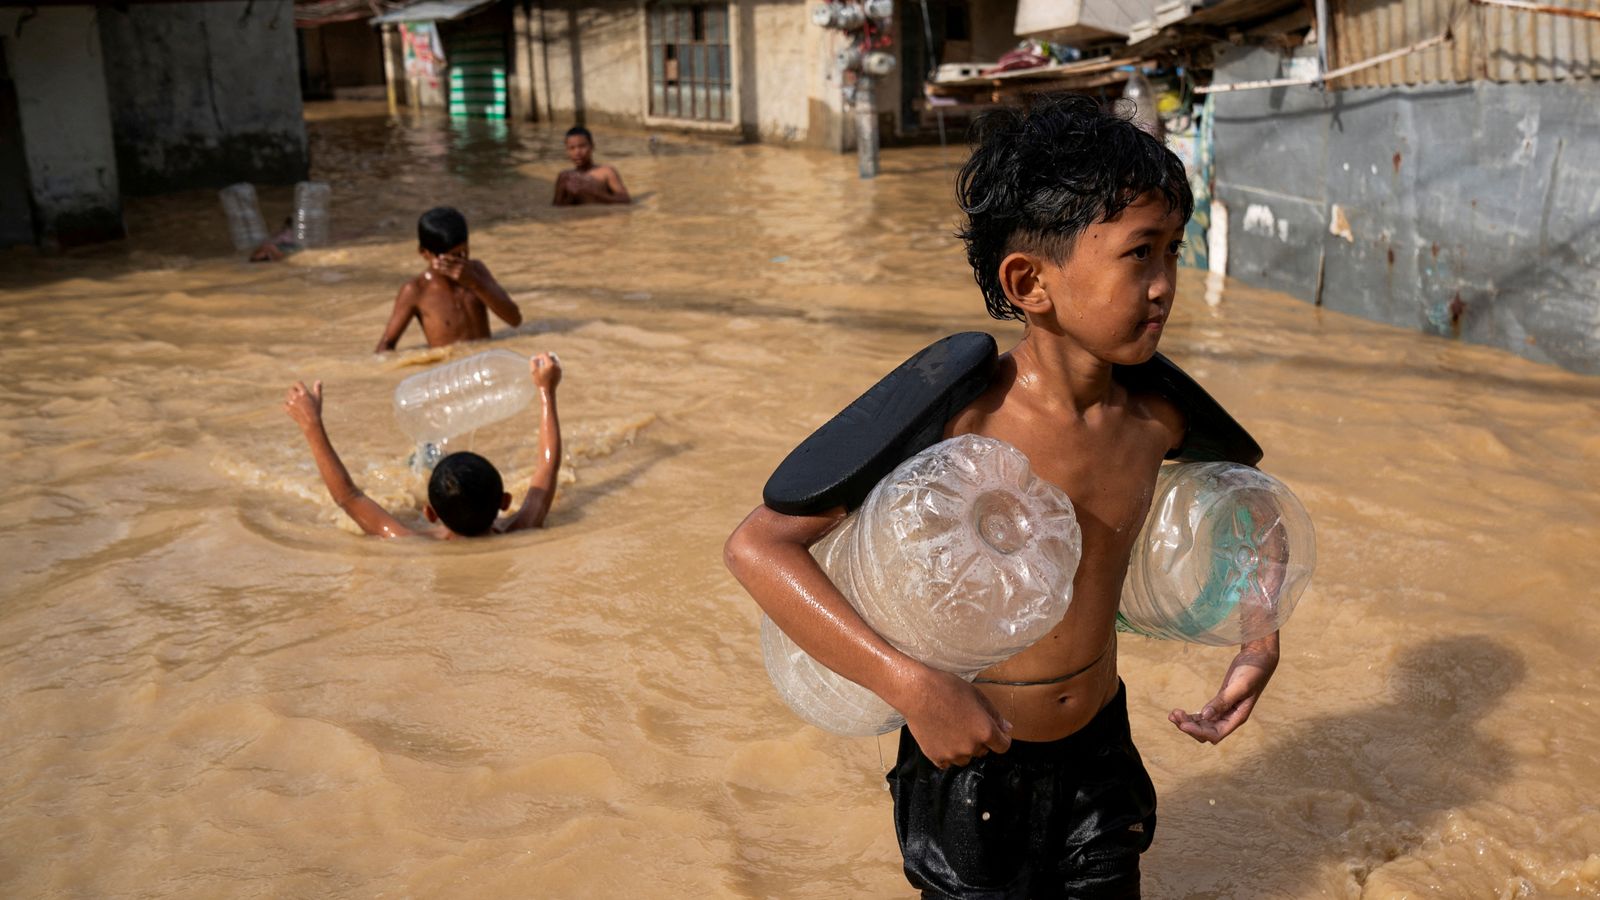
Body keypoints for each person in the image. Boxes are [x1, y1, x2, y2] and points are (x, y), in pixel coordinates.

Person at [723, 94, 1279, 898]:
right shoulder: (960, 417)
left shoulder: (1156, 417)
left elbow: (1254, 502)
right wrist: (909, 687)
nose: (1164, 285)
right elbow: (758, 546)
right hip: (967, 761)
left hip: (1099, 748)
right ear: (1031, 282)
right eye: (1138, 254)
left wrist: (1258, 640)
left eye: (1173, 251)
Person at [283, 353, 562, 539]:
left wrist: (312, 425)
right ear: (505, 501)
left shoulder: (409, 542)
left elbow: (349, 498)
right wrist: (546, 392)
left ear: (430, 513)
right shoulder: (522, 528)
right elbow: (547, 467)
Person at [374, 206, 523, 353]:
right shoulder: (416, 290)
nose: (462, 261)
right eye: (453, 257)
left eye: (465, 252)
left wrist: (475, 283)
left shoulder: (477, 271)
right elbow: (387, 344)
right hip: (451, 371)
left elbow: (515, 319)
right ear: (425, 253)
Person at [552, 126, 631, 206]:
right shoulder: (565, 177)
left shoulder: (606, 172)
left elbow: (625, 200)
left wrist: (594, 193)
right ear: (567, 151)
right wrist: (570, 196)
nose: (577, 152)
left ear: (592, 146)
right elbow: (556, 208)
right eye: (572, 148)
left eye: (582, 146)